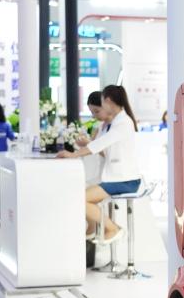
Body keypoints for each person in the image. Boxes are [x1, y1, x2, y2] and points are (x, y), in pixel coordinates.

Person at [57, 85, 140, 245]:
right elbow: (104, 151)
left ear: (108, 101)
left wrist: (74, 154)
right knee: (80, 196)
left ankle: (113, 229)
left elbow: (100, 145)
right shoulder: (114, 123)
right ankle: (92, 228)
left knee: (80, 198)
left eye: (101, 104)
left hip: (124, 179)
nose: (99, 110)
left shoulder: (123, 123)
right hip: (116, 177)